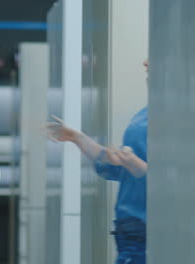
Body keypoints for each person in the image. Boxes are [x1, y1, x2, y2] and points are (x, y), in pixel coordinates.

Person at [46, 60, 149, 264]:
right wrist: (78, 138)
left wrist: (137, 165)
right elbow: (118, 169)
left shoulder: (181, 118)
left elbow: (177, 185)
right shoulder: (145, 113)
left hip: (150, 232)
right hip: (130, 234)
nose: (145, 62)